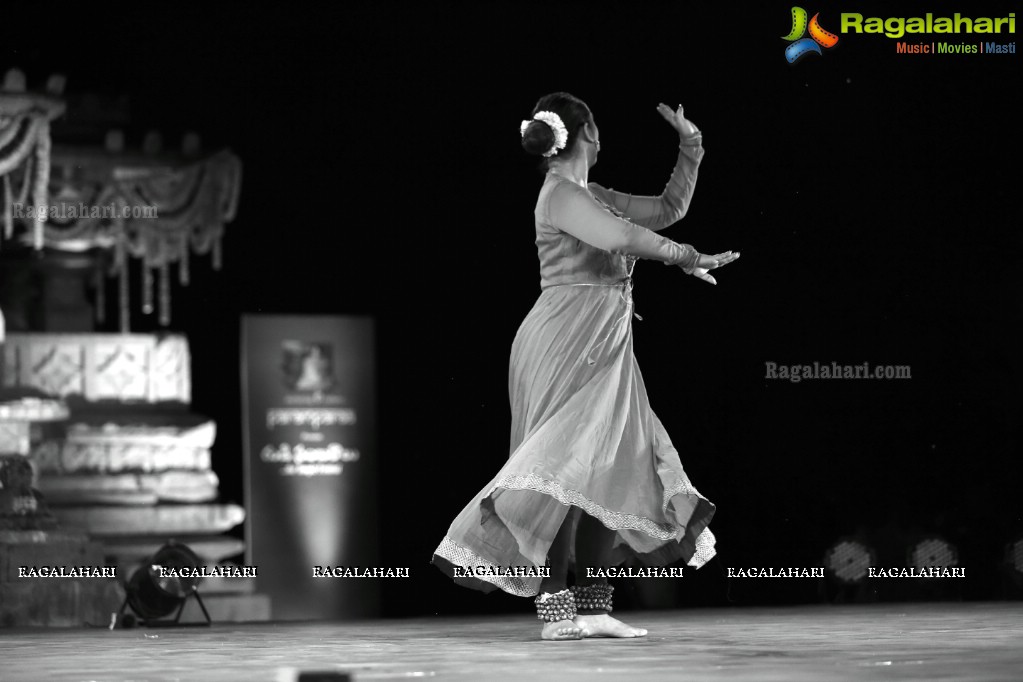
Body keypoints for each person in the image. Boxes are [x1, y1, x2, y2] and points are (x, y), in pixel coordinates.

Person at [432, 92, 739, 640]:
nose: (603, 136)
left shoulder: (590, 194)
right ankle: (555, 611)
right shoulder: (559, 196)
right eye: (598, 127)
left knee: (611, 472)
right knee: (562, 475)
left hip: (606, 343)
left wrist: (690, 146)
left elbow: (667, 211)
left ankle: (594, 608)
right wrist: (689, 257)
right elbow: (623, 237)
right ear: (588, 135)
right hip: (562, 342)